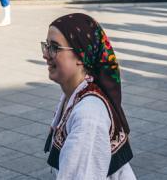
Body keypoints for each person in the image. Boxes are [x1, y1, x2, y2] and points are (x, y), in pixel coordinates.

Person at [42, 13, 135, 179]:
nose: (46, 55)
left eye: (55, 48)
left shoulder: (88, 115)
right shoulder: (76, 95)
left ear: (80, 55)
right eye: (46, 45)